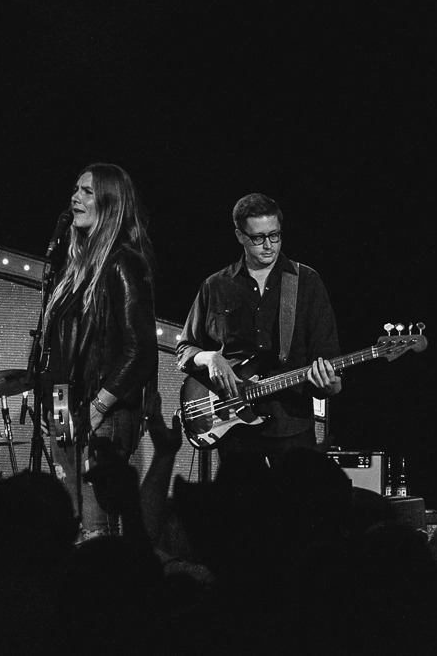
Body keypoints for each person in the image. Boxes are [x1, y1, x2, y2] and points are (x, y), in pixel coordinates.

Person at [176, 193, 341, 466]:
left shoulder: (307, 282)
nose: (268, 245)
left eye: (275, 235)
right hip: (234, 429)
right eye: (258, 238)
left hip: (293, 427)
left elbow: (326, 356)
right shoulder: (216, 286)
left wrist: (330, 384)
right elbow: (185, 348)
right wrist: (210, 358)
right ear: (240, 235)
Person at [43, 162, 158, 539]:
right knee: (71, 524)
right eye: (75, 190)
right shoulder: (73, 270)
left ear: (109, 202)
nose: (75, 197)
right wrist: (52, 403)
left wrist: (97, 408)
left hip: (102, 411)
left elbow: (140, 351)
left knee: (97, 526)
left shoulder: (124, 263)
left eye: (87, 191)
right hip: (66, 407)